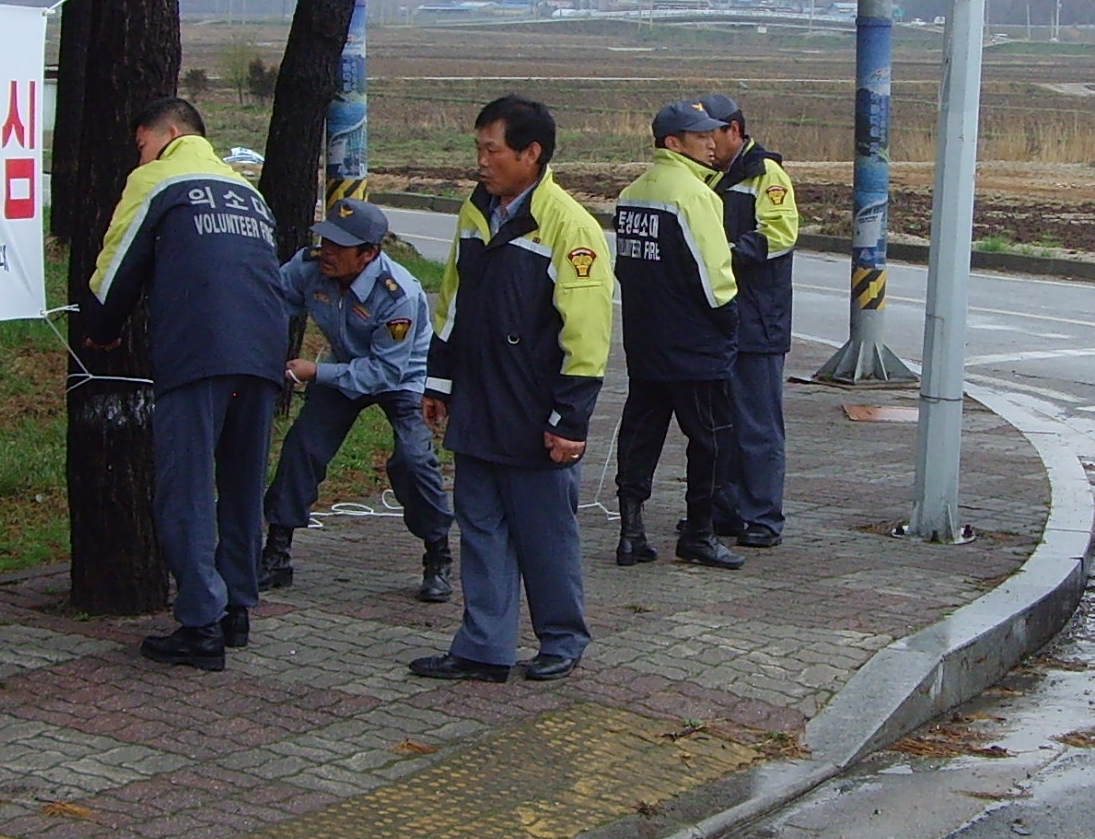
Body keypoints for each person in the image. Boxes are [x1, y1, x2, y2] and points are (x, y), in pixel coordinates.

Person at [78, 95, 290, 670]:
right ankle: (237, 609)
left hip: (200, 351)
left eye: (142, 144)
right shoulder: (246, 190)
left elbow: (116, 268)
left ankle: (200, 626)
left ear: (168, 134)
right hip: (263, 355)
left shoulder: (158, 180)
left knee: (188, 489)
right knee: (242, 485)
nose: (139, 156)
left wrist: (100, 329)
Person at [411, 94, 613, 684]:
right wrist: (439, 382)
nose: (481, 161)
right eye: (477, 148)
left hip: (533, 413)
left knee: (545, 536)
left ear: (532, 154)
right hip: (478, 404)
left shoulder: (568, 226)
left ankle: (562, 640)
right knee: (479, 530)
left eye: (492, 150)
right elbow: (452, 305)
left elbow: (587, 333)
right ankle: (483, 647)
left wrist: (569, 420)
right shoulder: (476, 213)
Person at [260, 195, 455, 605]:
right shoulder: (310, 266)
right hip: (344, 367)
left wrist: (315, 372)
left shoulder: (398, 294)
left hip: (402, 377)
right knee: (302, 447)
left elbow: (384, 372)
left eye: (340, 246)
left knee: (413, 459)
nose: (328, 252)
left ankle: (437, 554)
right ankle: (277, 553)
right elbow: (271, 301)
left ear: (369, 254)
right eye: (326, 240)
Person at [609, 99, 742, 570]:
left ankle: (631, 533)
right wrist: (729, 324)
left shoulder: (631, 194)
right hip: (694, 344)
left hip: (646, 339)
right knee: (711, 440)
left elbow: (627, 268)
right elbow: (714, 276)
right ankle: (699, 535)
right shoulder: (694, 196)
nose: (711, 143)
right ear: (673, 143)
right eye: (700, 136)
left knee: (640, 435)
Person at [696, 93, 800, 548]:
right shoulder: (708, 175)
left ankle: (763, 517)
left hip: (758, 321)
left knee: (757, 426)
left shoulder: (766, 175)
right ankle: (727, 512)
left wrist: (723, 255)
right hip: (723, 318)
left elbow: (780, 235)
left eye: (711, 135)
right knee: (722, 423)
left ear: (734, 131)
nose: (706, 144)